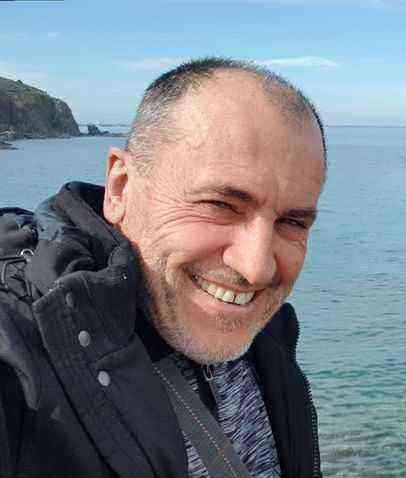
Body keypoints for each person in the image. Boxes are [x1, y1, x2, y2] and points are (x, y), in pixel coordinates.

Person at [0, 58, 326, 478]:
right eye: (220, 205)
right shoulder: (17, 351)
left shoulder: (267, 334)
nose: (257, 269)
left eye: (293, 222)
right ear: (120, 188)